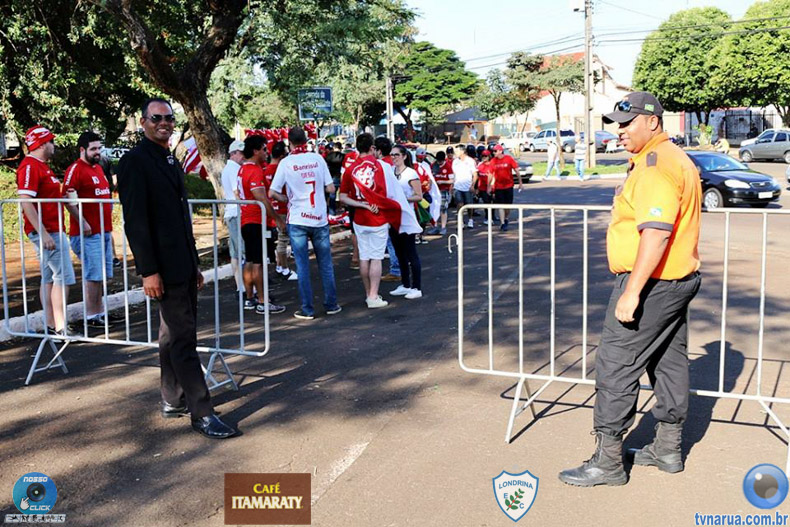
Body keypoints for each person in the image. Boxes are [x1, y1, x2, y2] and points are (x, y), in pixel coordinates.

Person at [558, 92, 702, 487]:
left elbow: (655, 234)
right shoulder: (670, 159)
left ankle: (607, 462)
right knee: (669, 363)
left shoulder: (656, 166)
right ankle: (669, 448)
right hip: (675, 281)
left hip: (652, 283)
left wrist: (632, 291)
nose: (619, 131)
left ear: (652, 122)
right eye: (617, 124)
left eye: (627, 122)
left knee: (616, 366)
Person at [118, 97, 237, 439]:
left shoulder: (170, 159)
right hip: (162, 269)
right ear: (143, 122)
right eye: (157, 118)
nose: (164, 123)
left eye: (169, 118)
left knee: (171, 335)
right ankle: (202, 412)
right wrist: (148, 271)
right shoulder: (134, 162)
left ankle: (172, 398)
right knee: (184, 339)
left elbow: (179, 219)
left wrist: (194, 265)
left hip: (182, 265)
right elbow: (136, 224)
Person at [269, 127, 341, 320]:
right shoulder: (317, 159)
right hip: (319, 218)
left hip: (298, 218)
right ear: (306, 140)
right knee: (325, 264)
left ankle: (307, 309)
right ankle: (331, 304)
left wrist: (286, 198)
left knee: (302, 265)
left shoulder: (286, 163)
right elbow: (330, 187)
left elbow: (272, 192)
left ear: (289, 142)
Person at [16, 125, 76, 337]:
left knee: (50, 278)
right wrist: (43, 233)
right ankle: (60, 328)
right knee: (62, 278)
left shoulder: (41, 166)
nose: (54, 146)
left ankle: (52, 325)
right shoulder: (31, 166)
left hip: (52, 229)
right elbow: (25, 201)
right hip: (48, 230)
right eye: (51, 142)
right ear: (42, 144)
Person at [63, 131, 120, 329]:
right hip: (87, 234)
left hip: (103, 231)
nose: (98, 152)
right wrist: (83, 222)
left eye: (99, 148)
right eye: (93, 149)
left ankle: (100, 312)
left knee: (102, 275)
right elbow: (67, 200)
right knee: (93, 275)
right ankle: (91, 315)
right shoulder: (75, 169)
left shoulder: (98, 168)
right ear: (82, 150)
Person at [339, 133, 391, 308]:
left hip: (359, 217)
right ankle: (374, 296)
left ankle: (368, 293)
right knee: (376, 258)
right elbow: (386, 192)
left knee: (364, 257)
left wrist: (361, 205)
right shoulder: (379, 166)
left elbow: (343, 197)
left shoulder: (350, 168)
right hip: (378, 217)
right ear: (372, 147)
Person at [237, 135, 286, 315]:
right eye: (264, 149)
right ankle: (262, 301)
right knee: (258, 262)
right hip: (256, 220)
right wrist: (277, 218)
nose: (267, 153)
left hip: (247, 220)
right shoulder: (254, 170)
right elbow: (260, 197)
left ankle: (250, 298)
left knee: (250, 260)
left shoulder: (243, 169)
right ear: (256, 150)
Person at [389, 144, 424, 299]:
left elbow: (419, 195)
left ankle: (416, 286)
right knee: (399, 253)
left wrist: (402, 199)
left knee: (411, 253)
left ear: (404, 156)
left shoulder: (410, 173)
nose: (394, 158)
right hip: (394, 217)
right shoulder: (390, 171)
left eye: (397, 155)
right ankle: (405, 284)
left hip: (407, 217)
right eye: (392, 155)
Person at [265, 141, 297, 281]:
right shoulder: (282, 169)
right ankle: (283, 268)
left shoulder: (265, 170)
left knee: (279, 240)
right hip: (282, 209)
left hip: (270, 210)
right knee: (283, 240)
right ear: (282, 155)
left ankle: (280, 265)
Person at [220, 139, 246, 296]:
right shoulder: (234, 169)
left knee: (236, 252)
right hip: (237, 213)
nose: (243, 156)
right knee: (241, 251)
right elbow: (237, 193)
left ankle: (241, 285)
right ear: (234, 154)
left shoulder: (229, 168)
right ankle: (244, 286)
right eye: (242, 153)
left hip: (233, 213)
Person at [488, 144, 522, 231]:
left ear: (500, 151)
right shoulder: (493, 161)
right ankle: (502, 223)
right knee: (500, 205)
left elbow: (516, 170)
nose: (494, 153)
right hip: (498, 187)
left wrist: (520, 182)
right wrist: (489, 185)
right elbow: (490, 174)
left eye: (495, 151)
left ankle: (506, 218)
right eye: (493, 151)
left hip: (509, 185)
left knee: (508, 206)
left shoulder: (508, 159)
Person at [452, 144, 477, 229]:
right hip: (457, 186)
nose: (455, 153)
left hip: (467, 186)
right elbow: (453, 175)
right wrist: (452, 186)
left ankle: (470, 219)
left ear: (462, 151)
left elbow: (475, 174)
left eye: (457, 151)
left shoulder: (470, 161)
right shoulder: (455, 161)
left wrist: (473, 185)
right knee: (459, 204)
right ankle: (460, 221)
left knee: (469, 204)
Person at [428, 150, 453, 235]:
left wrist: (443, 182)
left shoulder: (448, 166)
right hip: (434, 191)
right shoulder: (433, 165)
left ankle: (443, 227)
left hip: (443, 190)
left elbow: (452, 180)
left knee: (443, 209)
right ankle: (434, 226)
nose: (439, 163)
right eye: (438, 160)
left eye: (440, 161)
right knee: (434, 209)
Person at [325, 142, 345, 215]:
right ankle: (343, 210)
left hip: (332, 177)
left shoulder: (329, 156)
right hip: (341, 176)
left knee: (332, 196)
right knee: (343, 195)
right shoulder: (343, 156)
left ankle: (332, 212)